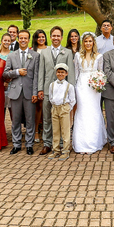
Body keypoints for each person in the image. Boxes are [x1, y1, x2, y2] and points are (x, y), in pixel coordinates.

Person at [36, 26, 75, 156]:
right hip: (48, 89)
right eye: (54, 35)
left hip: (63, 91)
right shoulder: (44, 52)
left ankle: (63, 145)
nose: (56, 38)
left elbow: (71, 74)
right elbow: (41, 71)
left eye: (58, 36)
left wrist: (71, 92)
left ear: (62, 37)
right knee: (47, 118)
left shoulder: (67, 52)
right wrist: (40, 89)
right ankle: (47, 143)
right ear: (50, 37)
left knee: (63, 120)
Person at [4, 29, 38, 154]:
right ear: (18, 39)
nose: (23, 40)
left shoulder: (35, 55)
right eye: (21, 38)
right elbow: (5, 73)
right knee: (16, 120)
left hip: (29, 92)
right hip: (15, 92)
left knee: (30, 120)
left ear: (28, 40)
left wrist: (35, 92)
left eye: (25, 38)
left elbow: (36, 75)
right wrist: (17, 72)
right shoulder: (11, 55)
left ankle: (29, 145)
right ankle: (16, 144)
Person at [72, 32, 108, 154]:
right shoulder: (77, 56)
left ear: (93, 43)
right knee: (82, 111)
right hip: (81, 86)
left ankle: (94, 141)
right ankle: (81, 143)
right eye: (86, 41)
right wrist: (75, 88)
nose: (88, 43)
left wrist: (99, 83)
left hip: (94, 87)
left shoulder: (99, 56)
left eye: (90, 41)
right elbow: (76, 73)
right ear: (83, 43)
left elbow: (101, 72)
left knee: (93, 111)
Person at [47, 63, 76, 161]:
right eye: (58, 72)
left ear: (66, 73)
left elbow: (72, 100)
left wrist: (67, 108)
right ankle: (56, 150)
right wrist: (54, 105)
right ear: (56, 73)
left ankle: (65, 150)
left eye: (62, 72)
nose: (60, 74)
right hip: (55, 108)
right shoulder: (52, 85)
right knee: (55, 130)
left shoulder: (69, 86)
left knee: (65, 130)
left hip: (64, 108)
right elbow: (51, 97)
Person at [30, 29, 48, 143]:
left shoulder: (49, 49)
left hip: (47, 80)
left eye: (43, 37)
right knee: (38, 107)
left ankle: (46, 130)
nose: (41, 39)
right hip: (35, 81)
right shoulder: (32, 51)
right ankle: (35, 130)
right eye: (38, 37)